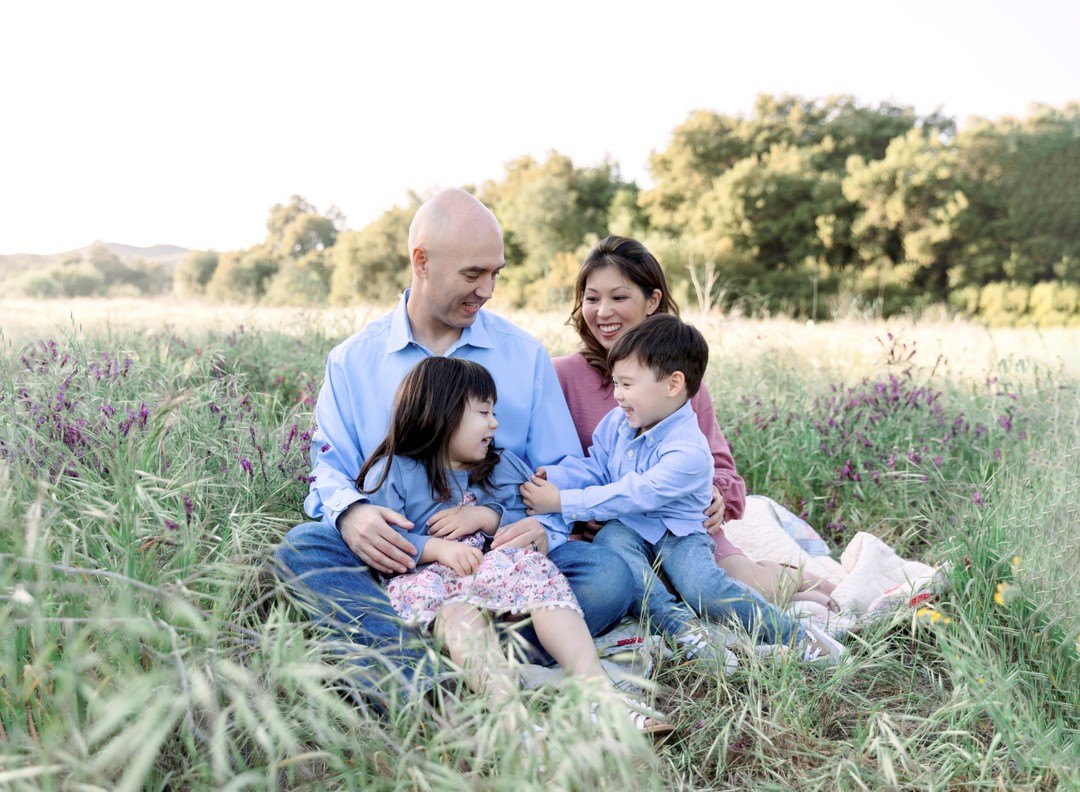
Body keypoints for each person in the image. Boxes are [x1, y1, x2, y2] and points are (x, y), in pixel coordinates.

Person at [273, 190, 634, 706]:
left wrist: (544, 528)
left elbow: (561, 469)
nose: (487, 289)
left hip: (502, 565)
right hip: (400, 562)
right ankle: (430, 669)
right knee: (304, 549)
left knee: (607, 577)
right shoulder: (353, 361)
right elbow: (328, 472)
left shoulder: (523, 356)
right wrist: (351, 515)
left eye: (496, 274)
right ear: (421, 260)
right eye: (472, 274)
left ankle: (414, 656)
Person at [358, 356, 673, 735]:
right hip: (434, 585)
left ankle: (598, 695)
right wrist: (436, 548)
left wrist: (488, 518)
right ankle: (511, 720)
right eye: (484, 412)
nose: (495, 423)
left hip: (504, 577)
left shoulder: (504, 466)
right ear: (442, 413)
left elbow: (543, 518)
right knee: (459, 614)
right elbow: (383, 540)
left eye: (494, 412)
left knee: (545, 579)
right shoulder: (395, 471)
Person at [523, 314, 842, 663]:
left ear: (673, 385)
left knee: (704, 587)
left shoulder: (688, 451)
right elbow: (597, 467)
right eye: (616, 384)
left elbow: (635, 493)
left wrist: (562, 501)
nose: (618, 396)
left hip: (680, 533)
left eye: (627, 385)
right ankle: (681, 627)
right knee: (620, 557)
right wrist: (556, 478)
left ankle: (793, 635)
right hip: (629, 527)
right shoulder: (618, 423)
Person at [553, 235, 837, 612]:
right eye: (592, 298)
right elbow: (559, 469)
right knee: (639, 593)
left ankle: (792, 578)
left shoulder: (678, 384)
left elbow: (722, 470)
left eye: (619, 297)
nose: (603, 312)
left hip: (682, 533)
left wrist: (715, 495)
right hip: (608, 538)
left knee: (734, 585)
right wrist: (587, 515)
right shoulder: (560, 376)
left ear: (652, 301)